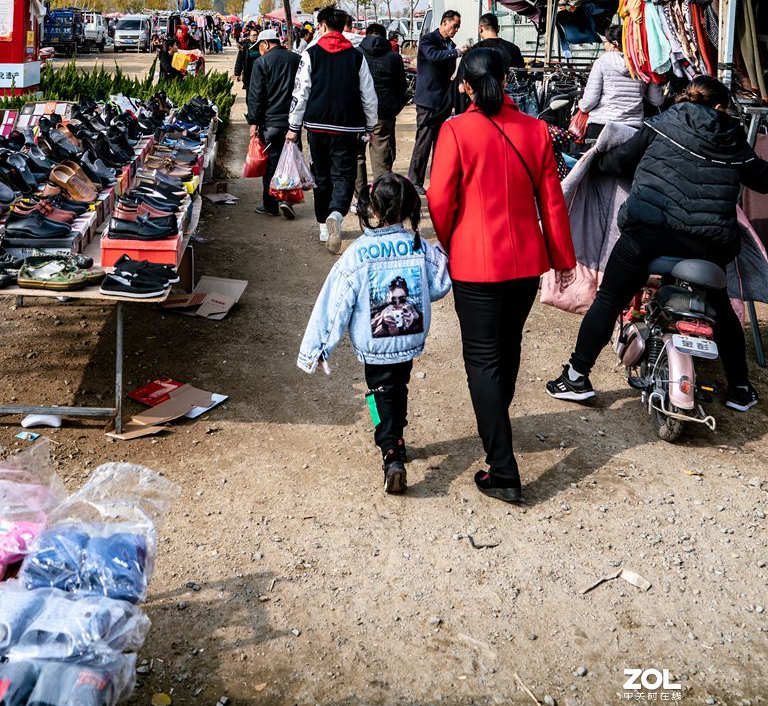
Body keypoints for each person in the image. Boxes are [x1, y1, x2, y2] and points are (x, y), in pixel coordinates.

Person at [547, 75, 768, 411]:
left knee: (609, 299)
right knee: (721, 310)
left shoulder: (661, 124)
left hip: (647, 236)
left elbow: (617, 162)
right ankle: (740, 388)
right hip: (708, 246)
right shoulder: (733, 137)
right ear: (720, 106)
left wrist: (602, 160)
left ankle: (576, 377)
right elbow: (762, 180)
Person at [428, 46, 575, 503]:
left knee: (482, 358)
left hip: (476, 262)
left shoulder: (455, 130)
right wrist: (562, 258)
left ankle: (503, 467)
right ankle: (498, 421)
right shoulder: (535, 130)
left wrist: (451, 242)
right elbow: (552, 200)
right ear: (507, 81)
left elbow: (439, 199)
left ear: (465, 85)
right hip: (525, 261)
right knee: (508, 347)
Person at [297, 172, 451, 494]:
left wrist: (318, 348)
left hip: (374, 346)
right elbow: (438, 284)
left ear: (374, 209)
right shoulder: (419, 246)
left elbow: (335, 302)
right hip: (409, 340)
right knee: (399, 385)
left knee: (376, 394)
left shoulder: (358, 253)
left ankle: (390, 450)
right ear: (410, 208)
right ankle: (399, 437)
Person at [286, 6, 377, 254]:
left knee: (321, 175)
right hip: (348, 128)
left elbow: (300, 92)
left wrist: (293, 126)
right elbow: (368, 95)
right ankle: (336, 214)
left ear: (323, 26)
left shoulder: (310, 54)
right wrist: (370, 125)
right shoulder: (357, 57)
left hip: (316, 126)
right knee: (344, 175)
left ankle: (323, 227)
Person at [246, 28, 302, 219]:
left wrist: (253, 121)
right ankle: (288, 200)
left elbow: (256, 95)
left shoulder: (261, 63)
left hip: (270, 124)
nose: (259, 50)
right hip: (293, 123)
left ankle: (271, 205)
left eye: (259, 47)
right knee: (290, 162)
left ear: (266, 43)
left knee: (271, 163)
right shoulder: (296, 59)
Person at [354, 22, 410, 211]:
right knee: (382, 160)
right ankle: (381, 202)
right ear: (385, 37)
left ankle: (362, 201)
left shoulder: (355, 54)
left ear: (366, 35)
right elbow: (402, 87)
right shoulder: (394, 57)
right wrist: (393, 108)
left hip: (358, 114)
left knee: (357, 157)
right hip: (383, 115)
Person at [576, 17, 662, 131]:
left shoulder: (602, 63)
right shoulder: (643, 64)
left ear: (614, 44)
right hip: (632, 128)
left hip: (602, 126)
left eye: (605, 42)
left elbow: (589, 103)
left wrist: (581, 104)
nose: (604, 45)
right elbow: (657, 100)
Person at [408, 10, 461, 186]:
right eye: (454, 26)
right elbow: (433, 56)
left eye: (458, 27)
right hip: (427, 99)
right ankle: (415, 181)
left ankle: (438, 181)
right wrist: (457, 52)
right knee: (424, 141)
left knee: (440, 143)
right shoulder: (428, 40)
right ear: (444, 22)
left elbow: (449, 70)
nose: (456, 30)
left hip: (443, 100)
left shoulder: (450, 45)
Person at [233, 23, 261, 96]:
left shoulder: (262, 46)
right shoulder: (244, 47)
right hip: (248, 73)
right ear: (249, 37)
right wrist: (237, 73)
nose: (255, 37)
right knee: (249, 93)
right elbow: (239, 61)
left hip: (260, 73)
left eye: (257, 35)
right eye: (253, 35)